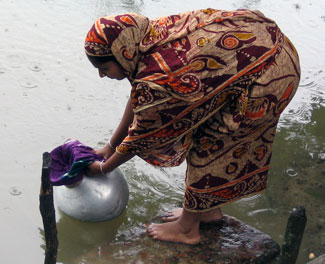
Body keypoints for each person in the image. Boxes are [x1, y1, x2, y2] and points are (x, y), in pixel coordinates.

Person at [84, 8, 300, 244]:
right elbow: (139, 100)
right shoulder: (147, 39)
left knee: (210, 142)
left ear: (122, 53)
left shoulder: (157, 78)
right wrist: (110, 146)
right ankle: (206, 210)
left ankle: (188, 229)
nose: (101, 76)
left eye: (104, 69)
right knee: (198, 123)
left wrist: (104, 169)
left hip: (270, 75)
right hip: (266, 45)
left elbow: (142, 137)